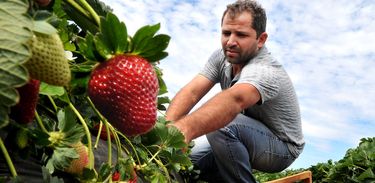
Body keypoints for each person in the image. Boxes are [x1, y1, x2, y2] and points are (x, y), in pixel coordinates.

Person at [165, 0, 305, 182]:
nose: (230, 42)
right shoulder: (221, 58)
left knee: (221, 124)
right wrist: (167, 132)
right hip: (242, 134)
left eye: (241, 35)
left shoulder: (265, 69)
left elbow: (235, 100)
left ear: (260, 40)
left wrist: (184, 130)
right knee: (187, 166)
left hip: (282, 147)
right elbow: (192, 92)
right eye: (226, 33)